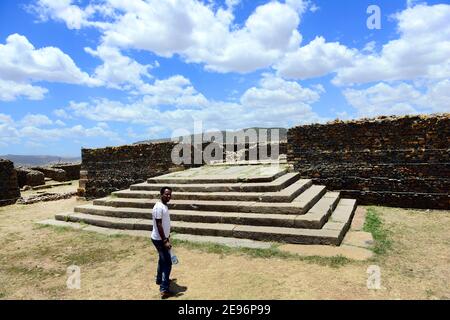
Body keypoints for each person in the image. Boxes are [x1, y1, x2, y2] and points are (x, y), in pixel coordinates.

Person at [151, 186, 174, 299]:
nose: (168, 196)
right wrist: (165, 240)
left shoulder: (163, 205)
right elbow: (159, 224)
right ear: (161, 194)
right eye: (166, 194)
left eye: (170, 194)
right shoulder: (158, 207)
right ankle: (164, 289)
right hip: (160, 239)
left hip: (162, 238)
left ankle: (159, 279)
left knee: (162, 259)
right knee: (167, 263)